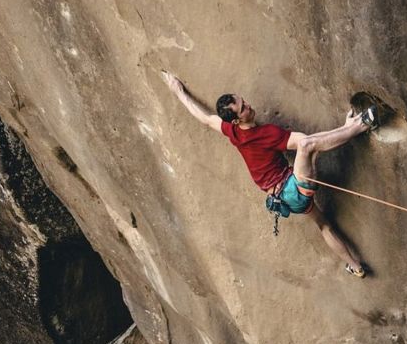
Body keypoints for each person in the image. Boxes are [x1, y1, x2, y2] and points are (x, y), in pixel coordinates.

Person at [160, 71, 377, 277]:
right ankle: (361, 125)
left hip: (287, 197)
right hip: (291, 189)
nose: (248, 105)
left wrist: (178, 91)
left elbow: (205, 118)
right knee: (307, 145)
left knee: (324, 224)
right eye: (243, 107)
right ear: (236, 120)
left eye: (244, 101)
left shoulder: (231, 130)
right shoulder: (265, 134)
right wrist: (346, 128)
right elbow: (306, 141)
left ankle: (355, 267)